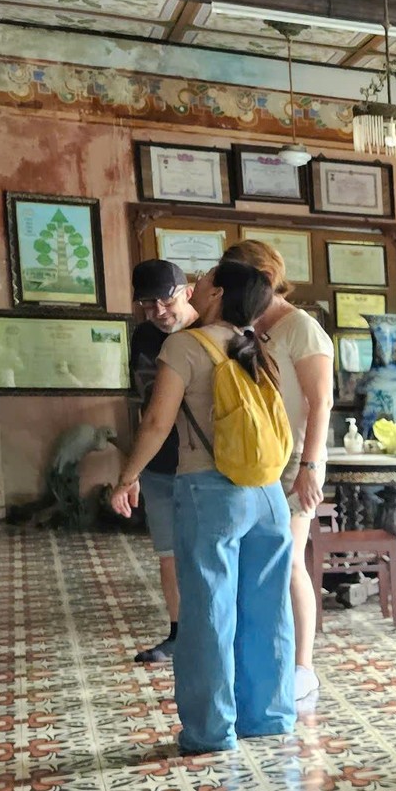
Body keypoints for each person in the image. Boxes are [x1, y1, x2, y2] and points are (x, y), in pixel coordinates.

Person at [108, 261, 296, 755]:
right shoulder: (253, 342)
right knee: (267, 610)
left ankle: (211, 731)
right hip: (268, 494)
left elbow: (155, 423)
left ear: (216, 291)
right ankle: (269, 716)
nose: (201, 280)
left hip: (211, 492)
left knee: (208, 613)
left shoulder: (186, 345)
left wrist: (127, 478)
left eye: (208, 276)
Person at [222, 239, 333, 715]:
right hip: (259, 456)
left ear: (265, 279)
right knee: (260, 561)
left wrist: (309, 467)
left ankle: (304, 670)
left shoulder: (301, 329)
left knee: (288, 561)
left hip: (294, 460)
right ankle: (269, 661)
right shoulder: (246, 329)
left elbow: (320, 402)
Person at [125, 259, 196, 664]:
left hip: (206, 463)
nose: (158, 312)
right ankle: (178, 633)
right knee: (168, 553)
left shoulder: (211, 332)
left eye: (165, 300)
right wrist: (133, 469)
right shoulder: (143, 338)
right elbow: (144, 407)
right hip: (158, 464)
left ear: (186, 291)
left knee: (210, 553)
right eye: (147, 305)